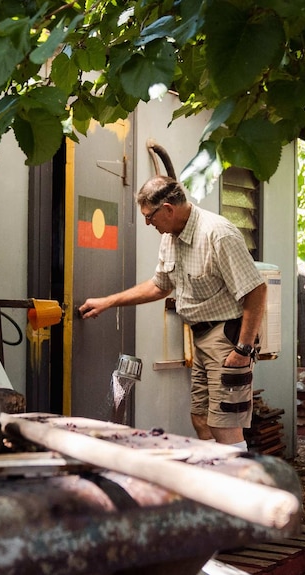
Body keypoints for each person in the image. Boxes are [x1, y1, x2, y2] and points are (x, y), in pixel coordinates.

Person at [78, 175, 267, 449]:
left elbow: (257, 291)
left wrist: (243, 349)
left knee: (224, 423)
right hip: (200, 337)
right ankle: (210, 483)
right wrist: (108, 302)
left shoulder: (218, 234)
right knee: (201, 419)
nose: (147, 223)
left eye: (149, 216)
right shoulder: (171, 237)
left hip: (228, 338)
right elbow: (159, 286)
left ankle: (241, 487)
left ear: (168, 208)